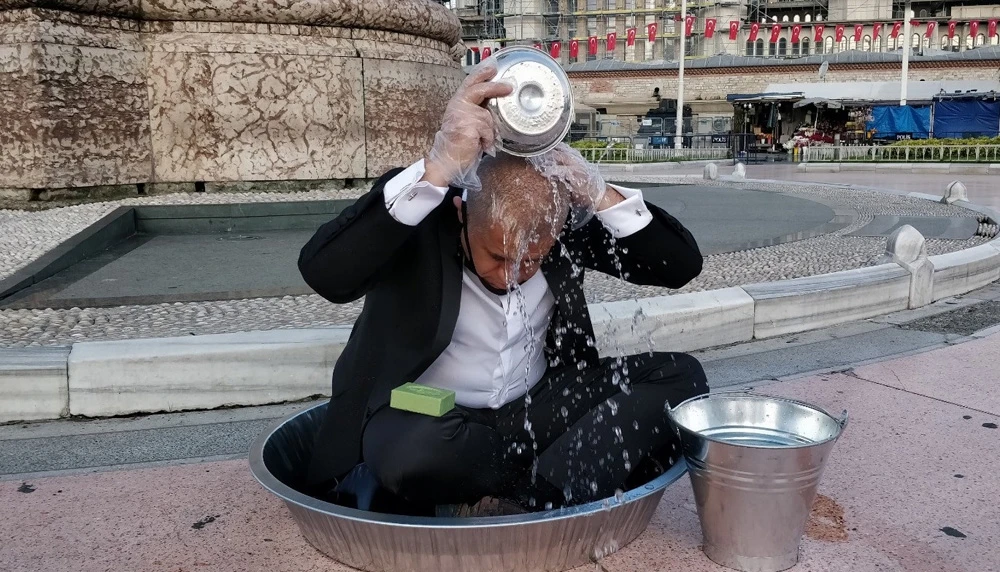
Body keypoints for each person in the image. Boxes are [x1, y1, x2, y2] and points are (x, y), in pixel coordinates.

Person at [297, 61, 708, 515]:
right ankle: (562, 475)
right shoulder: (423, 212)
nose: (514, 273)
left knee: (681, 377)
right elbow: (325, 274)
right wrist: (437, 168)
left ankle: (533, 495)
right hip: (429, 418)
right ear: (461, 213)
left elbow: (679, 266)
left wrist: (599, 192)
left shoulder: (562, 222)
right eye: (498, 255)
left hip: (533, 409)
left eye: (533, 259)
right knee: (412, 453)